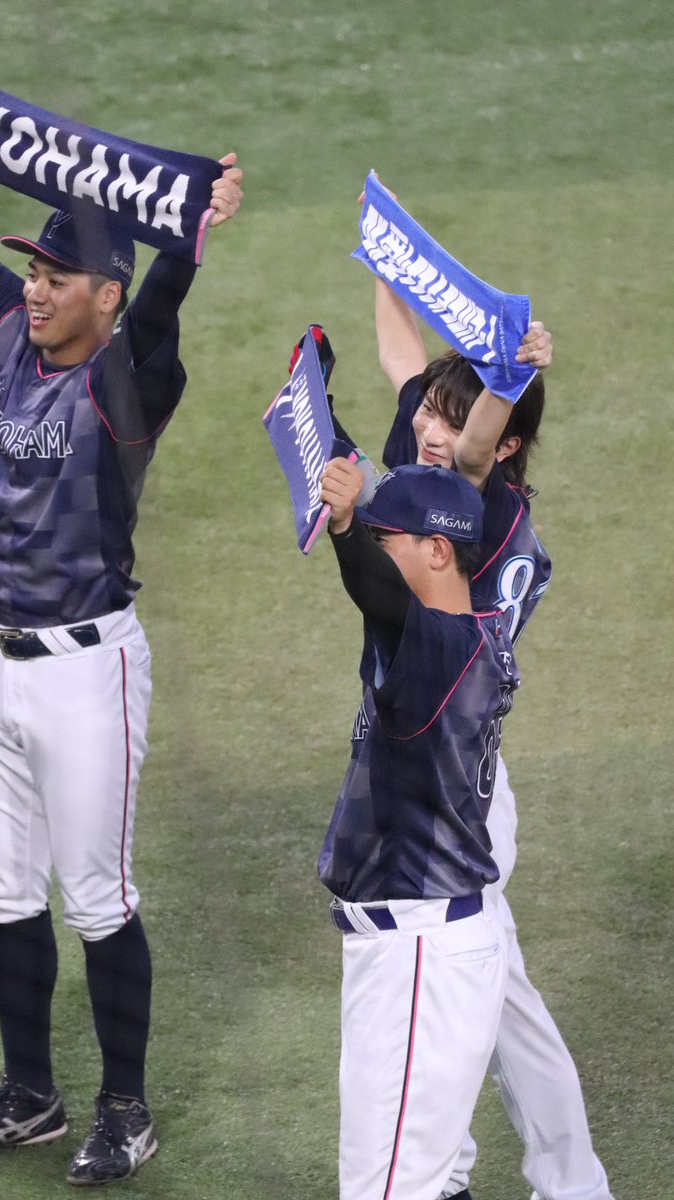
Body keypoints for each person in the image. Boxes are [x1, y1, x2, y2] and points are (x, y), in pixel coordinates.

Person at [0, 138, 243, 1186]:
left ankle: (124, 1110)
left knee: (96, 897)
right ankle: (28, 1096)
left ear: (106, 295)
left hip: (87, 674)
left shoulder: (128, 383)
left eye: (57, 275)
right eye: (32, 269)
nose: (34, 288)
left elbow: (160, 313)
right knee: (4, 890)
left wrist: (187, 235)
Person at [372, 248, 616, 1200]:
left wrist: (511, 375)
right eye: (431, 414)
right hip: (444, 766)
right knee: (503, 1004)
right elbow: (403, 367)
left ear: (505, 443)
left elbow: (469, 443)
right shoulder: (444, 463)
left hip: (456, 787)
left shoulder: (476, 502)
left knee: (466, 995)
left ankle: (458, 1174)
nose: (430, 430)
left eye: (455, 416)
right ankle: (566, 1182)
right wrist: (385, 260)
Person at [317, 457, 518, 1200]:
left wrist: (344, 530)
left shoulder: (442, 649)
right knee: (426, 1181)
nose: (377, 552)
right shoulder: (466, 632)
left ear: (437, 551)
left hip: (420, 953)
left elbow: (375, 591)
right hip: (421, 944)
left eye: (385, 539)